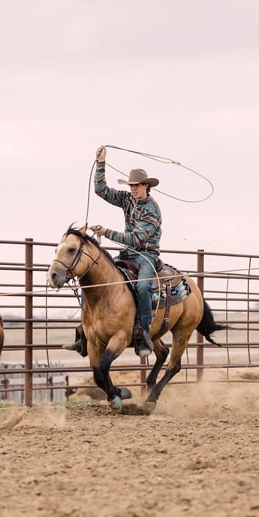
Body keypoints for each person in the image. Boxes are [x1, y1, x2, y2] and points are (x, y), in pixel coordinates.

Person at [66, 145, 163, 358]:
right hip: (129, 254)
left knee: (143, 286)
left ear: (146, 186)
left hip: (147, 255)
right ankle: (84, 332)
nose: (133, 189)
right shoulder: (127, 199)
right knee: (90, 277)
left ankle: (143, 332)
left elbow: (137, 238)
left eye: (137, 186)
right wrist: (101, 163)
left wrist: (106, 232)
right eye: (131, 186)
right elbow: (101, 190)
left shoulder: (152, 210)